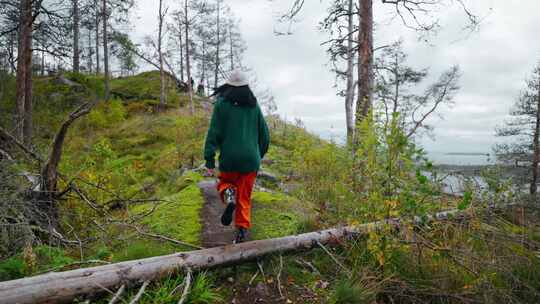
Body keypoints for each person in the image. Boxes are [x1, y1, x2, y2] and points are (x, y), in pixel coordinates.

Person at [204, 70, 270, 243]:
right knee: (245, 198)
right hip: (250, 161)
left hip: (230, 159)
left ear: (229, 86)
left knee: (224, 183)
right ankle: (241, 232)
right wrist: (258, 154)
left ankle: (228, 193)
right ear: (246, 86)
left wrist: (209, 159)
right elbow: (265, 136)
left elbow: (213, 133)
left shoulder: (222, 104)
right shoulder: (254, 106)